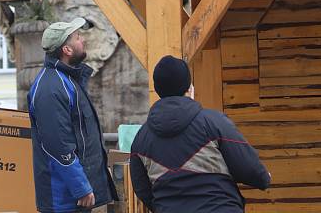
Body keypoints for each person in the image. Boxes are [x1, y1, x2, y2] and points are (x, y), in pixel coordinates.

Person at [130, 55, 270, 213]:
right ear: (189, 87)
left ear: (157, 89)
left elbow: (142, 188)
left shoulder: (141, 139)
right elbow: (249, 168)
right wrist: (264, 178)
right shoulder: (214, 123)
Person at [27, 17, 117, 213]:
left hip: (73, 196)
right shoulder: (51, 88)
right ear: (66, 50)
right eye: (77, 37)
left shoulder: (64, 80)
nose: (82, 40)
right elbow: (58, 145)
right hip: (64, 199)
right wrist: (81, 187)